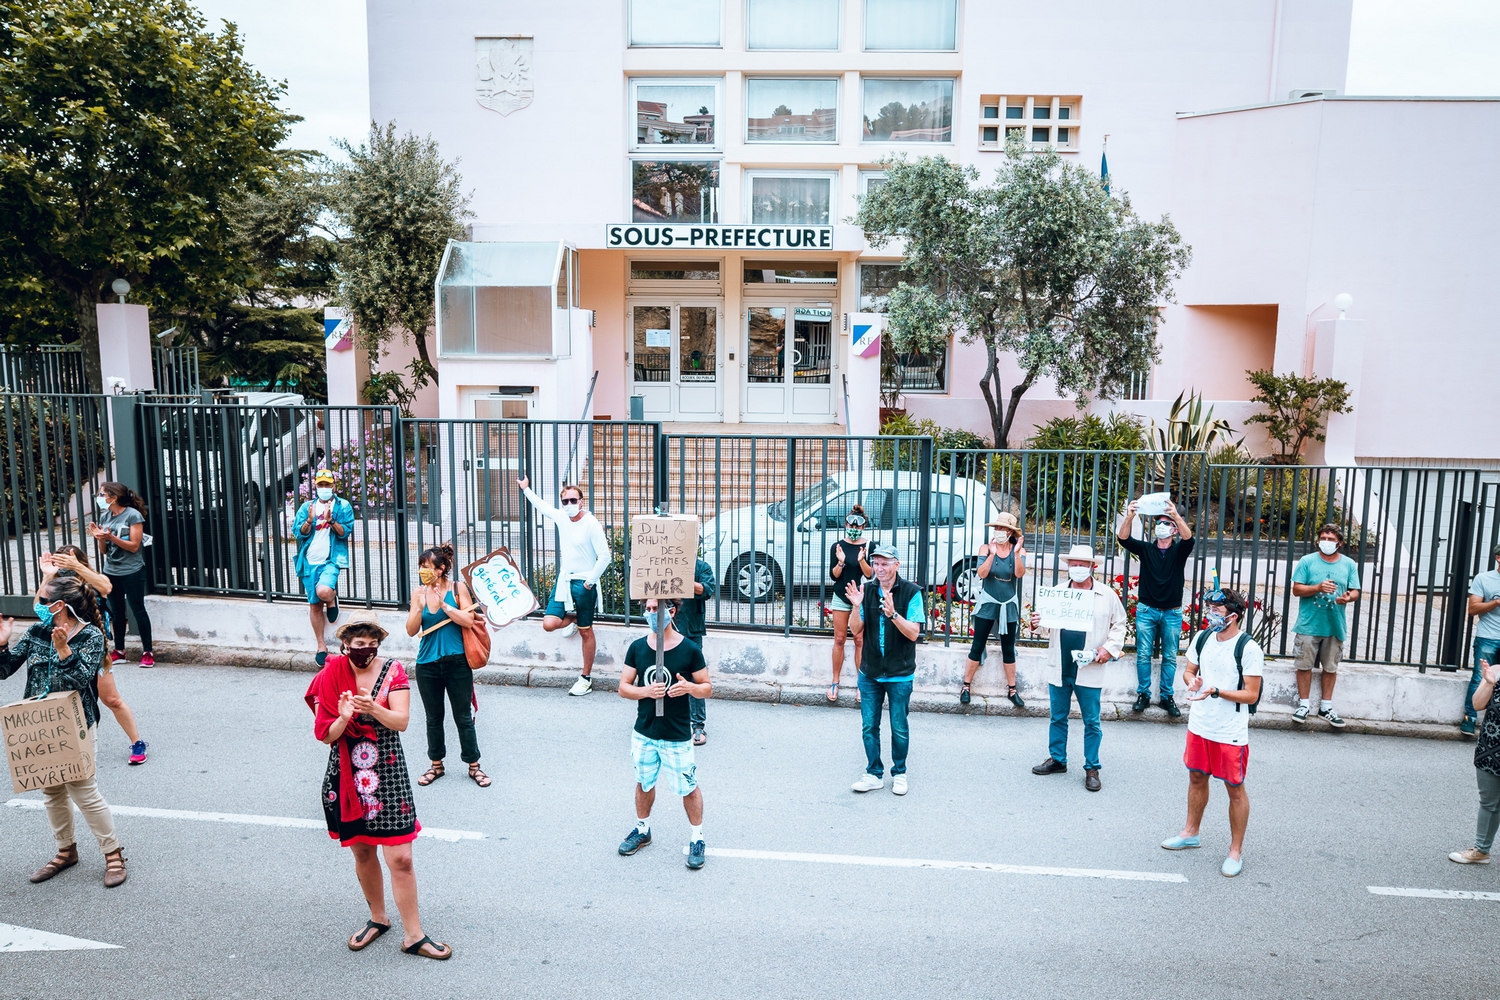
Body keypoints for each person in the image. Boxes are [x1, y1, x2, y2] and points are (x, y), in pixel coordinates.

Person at [305, 612, 451, 959]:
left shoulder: (393, 671)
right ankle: (378, 918)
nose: (366, 650)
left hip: (388, 772)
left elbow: (401, 721)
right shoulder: (330, 675)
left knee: (401, 858)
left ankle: (414, 935)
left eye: (372, 644)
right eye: (359, 644)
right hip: (347, 773)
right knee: (362, 850)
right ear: (345, 644)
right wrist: (344, 717)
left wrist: (373, 708)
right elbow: (325, 735)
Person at [0, 575, 128, 887]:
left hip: (76, 723)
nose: (39, 605)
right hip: (39, 724)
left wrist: (63, 650)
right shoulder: (36, 631)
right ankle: (65, 851)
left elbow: (82, 679)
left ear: (59, 605)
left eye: (43, 600)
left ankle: (113, 854)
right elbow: (4, 670)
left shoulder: (91, 636)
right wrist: (2, 643)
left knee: (84, 790)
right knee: (52, 791)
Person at [1162, 588, 1263, 877]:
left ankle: (1235, 851)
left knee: (1234, 788)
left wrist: (1216, 691)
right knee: (1196, 777)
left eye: (1217, 611)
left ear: (1234, 615)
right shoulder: (1202, 638)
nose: (1211, 616)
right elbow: (1189, 671)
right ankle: (1190, 833)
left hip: (1229, 730)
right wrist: (1192, 682)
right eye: (1209, 610)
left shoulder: (1249, 648)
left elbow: (1251, 694)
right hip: (1200, 724)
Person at [616, 598, 713, 871]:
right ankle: (642, 830)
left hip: (676, 735)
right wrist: (646, 691)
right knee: (643, 783)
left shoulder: (689, 649)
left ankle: (697, 838)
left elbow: (707, 688)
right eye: (646, 609)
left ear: (670, 611)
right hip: (644, 732)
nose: (649, 613)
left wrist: (689, 688)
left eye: (654, 609)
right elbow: (623, 687)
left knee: (688, 787)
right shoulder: (637, 648)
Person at [1030, 544, 1127, 792]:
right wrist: (1036, 623)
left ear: (1092, 567)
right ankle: (1058, 759)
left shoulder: (1107, 595)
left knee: (1091, 721)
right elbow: (1045, 627)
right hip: (1060, 664)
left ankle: (1092, 767)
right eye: (1073, 564)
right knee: (1057, 716)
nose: (1077, 568)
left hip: (1089, 666)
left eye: (1082, 565)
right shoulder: (1057, 592)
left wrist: (1109, 648)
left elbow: (1120, 624)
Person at [42, 546, 148, 765]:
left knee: (112, 699)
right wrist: (47, 576)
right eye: (60, 563)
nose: (65, 568)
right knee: (66, 703)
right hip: (64, 651)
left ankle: (137, 742)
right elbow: (39, 609)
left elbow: (106, 587)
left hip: (94, 651)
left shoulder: (90, 581)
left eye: (67, 562)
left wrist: (77, 566)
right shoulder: (57, 588)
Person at [517, 476, 611, 696]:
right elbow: (542, 507)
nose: (569, 504)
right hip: (565, 580)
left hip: (584, 583)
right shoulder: (561, 517)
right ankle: (577, 619)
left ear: (581, 501)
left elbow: (605, 556)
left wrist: (589, 582)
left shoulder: (591, 523)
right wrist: (526, 489)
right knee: (549, 623)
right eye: (565, 501)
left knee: (586, 632)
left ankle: (585, 678)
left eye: (573, 500)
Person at [404, 544, 487, 789]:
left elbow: (468, 620)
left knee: (463, 717)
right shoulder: (418, 593)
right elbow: (411, 630)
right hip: (426, 664)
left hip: (457, 662)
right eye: (421, 567)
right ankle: (436, 765)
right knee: (433, 718)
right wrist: (419, 608)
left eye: (427, 567)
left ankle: (474, 765)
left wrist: (444, 606)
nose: (423, 571)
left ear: (440, 569)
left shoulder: (458, 588)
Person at [846, 544, 924, 796]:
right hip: (870, 672)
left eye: (884, 564)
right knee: (869, 726)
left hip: (900, 673)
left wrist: (893, 615)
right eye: (876, 563)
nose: (879, 569)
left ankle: (899, 773)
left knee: (899, 726)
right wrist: (856, 606)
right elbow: (855, 630)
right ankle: (873, 773)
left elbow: (913, 633)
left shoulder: (912, 592)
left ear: (896, 565)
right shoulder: (867, 590)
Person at [1117, 498, 1194, 717]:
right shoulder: (1146, 549)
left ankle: (1167, 697)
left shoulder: (1179, 551)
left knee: (1170, 656)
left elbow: (1189, 539)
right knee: (1143, 654)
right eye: (1158, 522)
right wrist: (1130, 516)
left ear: (1174, 529)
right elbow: (1123, 539)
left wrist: (1175, 515)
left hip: (1172, 611)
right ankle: (1143, 694)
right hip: (1147, 610)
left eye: (1166, 523)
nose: (1161, 526)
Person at [1289, 524, 1360, 728]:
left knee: (1330, 667)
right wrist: (1317, 587)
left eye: (1331, 539)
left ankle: (1326, 707)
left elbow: (1355, 590)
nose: (1326, 542)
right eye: (1323, 538)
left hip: (1334, 624)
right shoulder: (1307, 561)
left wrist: (1348, 597)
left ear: (1340, 543)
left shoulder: (1349, 564)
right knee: (1304, 665)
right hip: (1308, 624)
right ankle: (1304, 705)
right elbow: (1297, 589)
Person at [960, 512, 1027, 709]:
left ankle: (1012, 690)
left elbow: (1019, 574)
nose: (998, 531)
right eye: (996, 528)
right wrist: (992, 554)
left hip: (1009, 605)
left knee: (1008, 648)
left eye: (1002, 528)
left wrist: (1017, 554)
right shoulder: (986, 548)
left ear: (1010, 532)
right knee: (977, 645)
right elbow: (981, 574)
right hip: (988, 602)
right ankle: (966, 686)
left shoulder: (1019, 551)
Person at [87, 482, 154, 668]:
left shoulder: (133, 515)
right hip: (111, 571)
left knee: (138, 609)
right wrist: (100, 538)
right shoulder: (105, 516)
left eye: (101, 494)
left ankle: (148, 652)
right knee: (116, 612)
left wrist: (111, 537)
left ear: (113, 497)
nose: (99, 498)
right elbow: (104, 551)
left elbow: (134, 546)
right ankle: (119, 650)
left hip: (132, 570)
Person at [294, 469, 355, 667]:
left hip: (331, 561)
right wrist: (309, 520)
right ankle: (321, 646)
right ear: (316, 486)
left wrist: (330, 520)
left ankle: (331, 597)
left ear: (333, 486)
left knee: (323, 591)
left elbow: (345, 532)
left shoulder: (342, 506)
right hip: (309, 562)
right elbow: (298, 533)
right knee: (314, 605)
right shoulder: (307, 507)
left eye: (327, 484)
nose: (324, 488)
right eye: (320, 484)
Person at [1449, 658, 1500, 865]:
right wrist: (1488, 682)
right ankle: (1481, 851)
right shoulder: (1496, 671)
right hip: (1491, 749)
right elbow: (1477, 704)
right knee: (1489, 802)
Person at [827, 506, 872, 703]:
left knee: (859, 640)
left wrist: (861, 560)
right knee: (839, 639)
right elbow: (834, 576)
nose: (854, 528)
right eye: (851, 525)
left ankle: (861, 685)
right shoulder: (837, 546)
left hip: (859, 599)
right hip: (840, 596)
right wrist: (841, 562)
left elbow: (869, 574)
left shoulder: (868, 546)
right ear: (846, 525)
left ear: (863, 527)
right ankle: (835, 681)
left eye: (858, 526)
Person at [673, 551, 718, 746]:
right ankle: (665, 721)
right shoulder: (664, 562)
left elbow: (707, 590)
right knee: (662, 673)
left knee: (694, 676)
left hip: (691, 630)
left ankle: (697, 725)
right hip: (667, 628)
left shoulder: (701, 567)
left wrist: (684, 580)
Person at [1462, 544, 1500, 738]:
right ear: (1498, 557)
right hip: (1488, 636)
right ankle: (1469, 718)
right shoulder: (1483, 579)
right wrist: (1496, 602)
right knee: (1480, 677)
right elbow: (1472, 609)